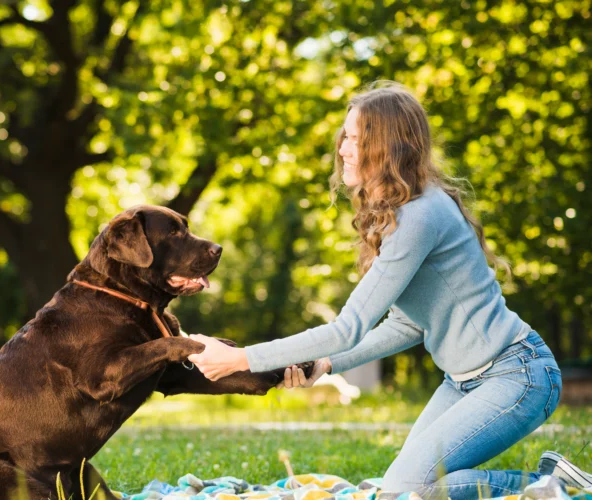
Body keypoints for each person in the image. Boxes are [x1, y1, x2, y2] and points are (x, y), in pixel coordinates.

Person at [187, 82, 591, 499]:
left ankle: (554, 487)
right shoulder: (403, 215)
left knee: (406, 490)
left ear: (389, 148)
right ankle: (550, 482)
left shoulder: (421, 216)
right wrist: (325, 363)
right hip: (463, 381)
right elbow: (407, 325)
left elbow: (348, 328)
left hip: (518, 375)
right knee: (403, 489)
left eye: (357, 139)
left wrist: (241, 359)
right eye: (345, 136)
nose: (343, 147)